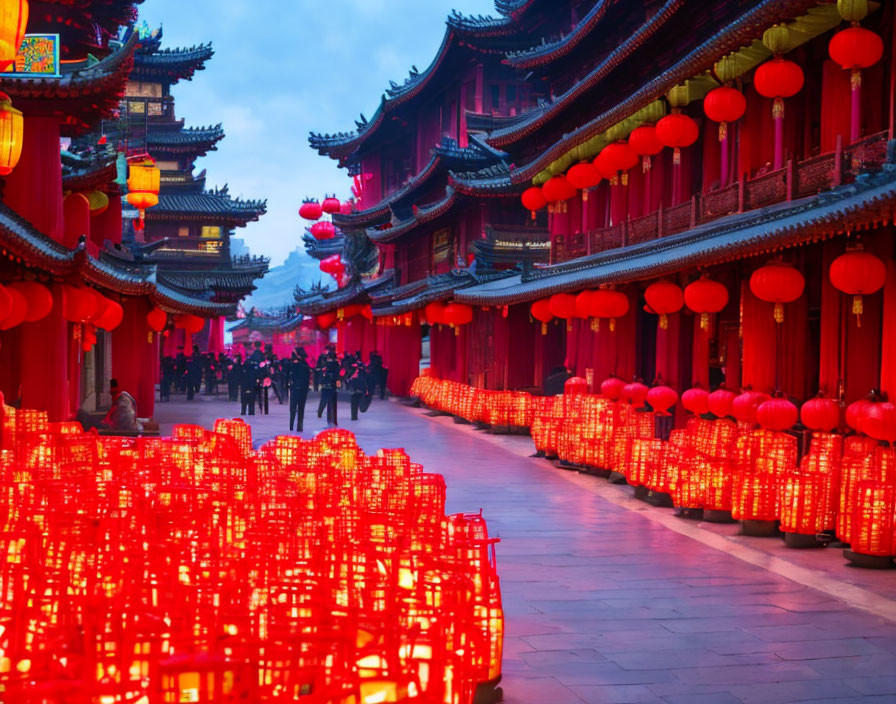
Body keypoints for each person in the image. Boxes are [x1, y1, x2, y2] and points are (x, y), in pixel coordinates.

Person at [287, 346, 311, 432]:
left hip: (296, 388)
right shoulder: (305, 365)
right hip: (302, 389)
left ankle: (291, 426)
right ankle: (299, 427)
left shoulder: (294, 364)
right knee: (300, 408)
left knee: (293, 408)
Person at [318, 350, 342, 427]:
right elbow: (338, 375)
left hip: (326, 386)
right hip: (333, 386)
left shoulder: (326, 365)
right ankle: (334, 420)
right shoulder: (336, 365)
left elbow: (322, 375)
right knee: (333, 404)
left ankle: (328, 419)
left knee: (327, 403)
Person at [347, 357, 371, 421]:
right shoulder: (353, 369)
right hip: (355, 388)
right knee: (354, 403)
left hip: (360, 387)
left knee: (358, 402)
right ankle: (354, 417)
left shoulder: (363, 370)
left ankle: (356, 415)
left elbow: (366, 379)